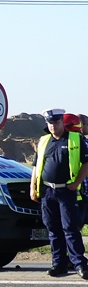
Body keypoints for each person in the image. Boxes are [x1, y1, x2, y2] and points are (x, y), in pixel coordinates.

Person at [30, 109, 88, 278]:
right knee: (53, 229)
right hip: (48, 191)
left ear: (62, 123)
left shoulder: (75, 139)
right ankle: (59, 264)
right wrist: (33, 187)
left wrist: (76, 183)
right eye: (50, 123)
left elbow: (86, 163)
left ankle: (80, 264)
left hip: (67, 191)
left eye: (56, 122)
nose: (53, 126)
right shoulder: (43, 141)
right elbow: (36, 166)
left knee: (70, 228)